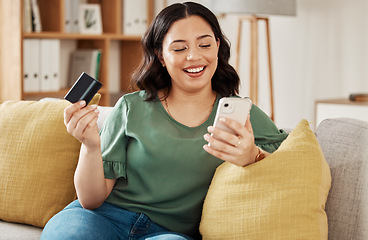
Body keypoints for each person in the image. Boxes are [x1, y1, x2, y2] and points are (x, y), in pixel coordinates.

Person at [41, 2, 288, 240]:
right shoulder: (131, 107)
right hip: (102, 218)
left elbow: (292, 159)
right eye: (179, 48)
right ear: (160, 55)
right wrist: (90, 145)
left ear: (217, 47)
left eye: (204, 45)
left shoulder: (242, 113)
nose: (194, 56)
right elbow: (91, 200)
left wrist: (254, 156)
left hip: (169, 233)